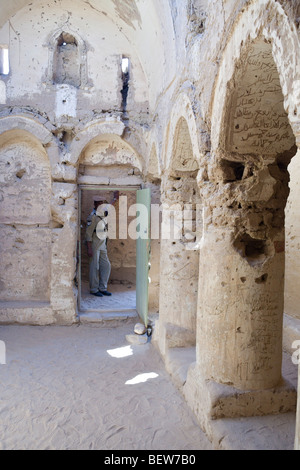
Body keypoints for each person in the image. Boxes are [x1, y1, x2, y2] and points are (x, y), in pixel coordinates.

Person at [85, 192, 119, 297]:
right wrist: (89, 248)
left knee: (106, 265)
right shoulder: (93, 216)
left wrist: (115, 199)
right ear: (95, 205)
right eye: (99, 203)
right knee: (94, 267)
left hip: (102, 242)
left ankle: (102, 288)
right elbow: (88, 233)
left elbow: (109, 208)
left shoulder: (102, 212)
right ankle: (94, 289)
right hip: (95, 242)